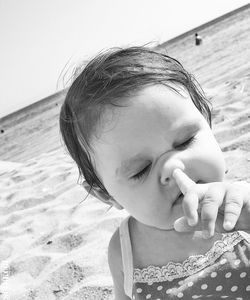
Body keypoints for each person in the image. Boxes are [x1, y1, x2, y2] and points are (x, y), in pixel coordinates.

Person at [59, 47, 250, 299]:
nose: (174, 167)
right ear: (106, 195)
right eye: (141, 170)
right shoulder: (125, 251)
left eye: (185, 140)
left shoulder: (242, 204)